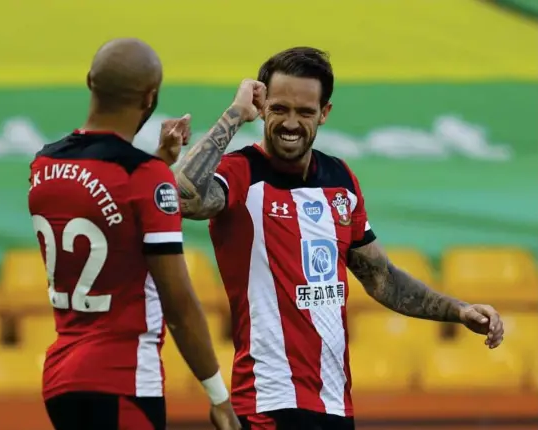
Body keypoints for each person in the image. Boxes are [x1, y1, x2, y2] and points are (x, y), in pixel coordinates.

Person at [172, 47, 505, 430]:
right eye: (279, 108)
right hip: (269, 402)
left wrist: (459, 311)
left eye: (305, 112)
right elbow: (180, 197)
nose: (290, 123)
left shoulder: (339, 179)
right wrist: (234, 115)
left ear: (324, 114)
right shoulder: (241, 173)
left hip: (334, 406)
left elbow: (382, 278)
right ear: (262, 108)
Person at [27, 38, 240, 430]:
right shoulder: (143, 177)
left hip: (61, 379)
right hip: (122, 379)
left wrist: (159, 161)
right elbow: (178, 302)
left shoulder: (43, 163)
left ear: (90, 80)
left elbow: (103, 204)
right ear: (150, 97)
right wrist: (219, 398)